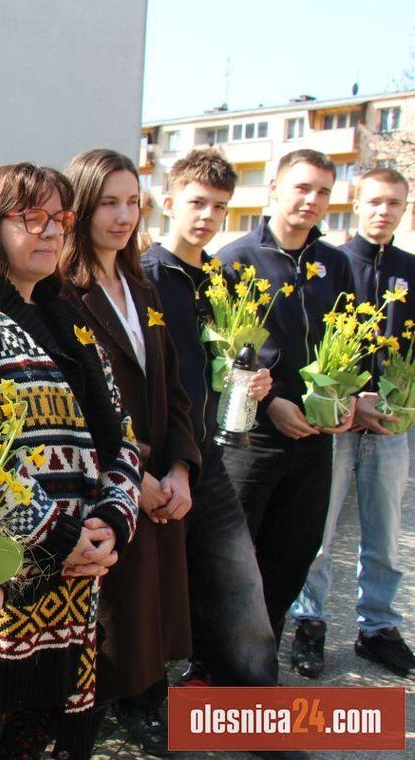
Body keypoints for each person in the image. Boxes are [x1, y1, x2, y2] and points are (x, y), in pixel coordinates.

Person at [0, 162, 141, 759]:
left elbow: (121, 436)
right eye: (31, 217)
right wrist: (59, 535)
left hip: (71, 597)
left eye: (60, 219)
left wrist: (112, 524)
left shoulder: (72, 317)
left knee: (31, 743)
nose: (49, 232)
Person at [59, 148, 200, 756]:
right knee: (110, 616)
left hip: (160, 481)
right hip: (107, 483)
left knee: (148, 614)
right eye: (109, 202)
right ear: (83, 206)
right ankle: (91, 721)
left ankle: (142, 705)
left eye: (133, 202)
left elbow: (172, 389)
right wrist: (132, 474)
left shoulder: (143, 286)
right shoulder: (63, 293)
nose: (123, 216)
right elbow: (74, 404)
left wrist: (180, 469)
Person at [140, 149, 278, 692]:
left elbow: (224, 367)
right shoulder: (145, 277)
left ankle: (258, 710)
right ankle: (144, 701)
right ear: (171, 202)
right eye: (197, 202)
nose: (207, 216)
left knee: (242, 582)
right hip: (155, 457)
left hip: (208, 457)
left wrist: (254, 386)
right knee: (153, 592)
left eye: (219, 208)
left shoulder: (222, 282)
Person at [214, 149, 355, 660]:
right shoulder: (234, 261)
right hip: (252, 440)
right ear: (274, 187)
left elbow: (348, 341)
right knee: (233, 558)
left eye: (322, 191)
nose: (312, 200)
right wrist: (271, 403)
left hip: (315, 444)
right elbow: (223, 353)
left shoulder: (335, 264)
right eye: (302, 187)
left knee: (291, 555)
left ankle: (260, 659)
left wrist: (347, 399)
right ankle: (215, 663)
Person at [289, 167, 415, 678]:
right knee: (318, 534)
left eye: (396, 205)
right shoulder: (336, 265)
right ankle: (309, 622)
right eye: (376, 201)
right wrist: (348, 399)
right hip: (336, 424)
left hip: (391, 427)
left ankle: (378, 627)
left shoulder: (411, 268)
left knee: (383, 533)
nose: (385, 212)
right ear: (357, 204)